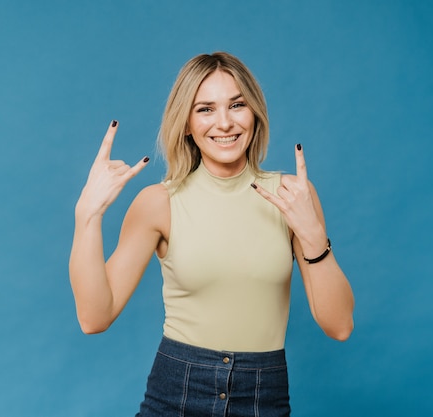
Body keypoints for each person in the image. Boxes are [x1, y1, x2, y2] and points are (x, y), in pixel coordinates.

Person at [69, 51, 355, 416]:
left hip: (262, 399)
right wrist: (87, 215)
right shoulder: (158, 203)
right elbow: (94, 317)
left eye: (237, 105)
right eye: (205, 109)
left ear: (254, 112)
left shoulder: (293, 195)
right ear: (186, 123)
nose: (224, 122)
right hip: (176, 395)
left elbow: (340, 325)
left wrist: (313, 237)